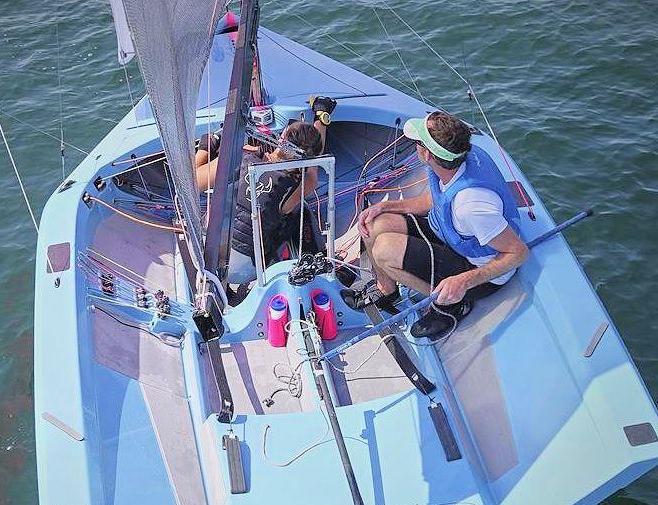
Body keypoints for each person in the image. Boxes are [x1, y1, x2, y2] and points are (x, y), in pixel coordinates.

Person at [342, 111, 529, 338]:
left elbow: (517, 253)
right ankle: (387, 290)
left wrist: (462, 282)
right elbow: (436, 199)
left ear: (427, 154)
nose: (415, 145)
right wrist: (385, 207)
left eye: (418, 142)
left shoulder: (471, 206)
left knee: (384, 250)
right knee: (373, 225)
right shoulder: (456, 162)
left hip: (477, 269)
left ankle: (452, 305)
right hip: (451, 236)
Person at [194, 97, 336, 287]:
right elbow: (312, 163)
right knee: (299, 209)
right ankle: (315, 267)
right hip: (246, 271)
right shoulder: (299, 184)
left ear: (282, 138)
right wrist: (321, 117)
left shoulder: (239, 157)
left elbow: (193, 182)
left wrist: (208, 144)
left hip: (206, 254)